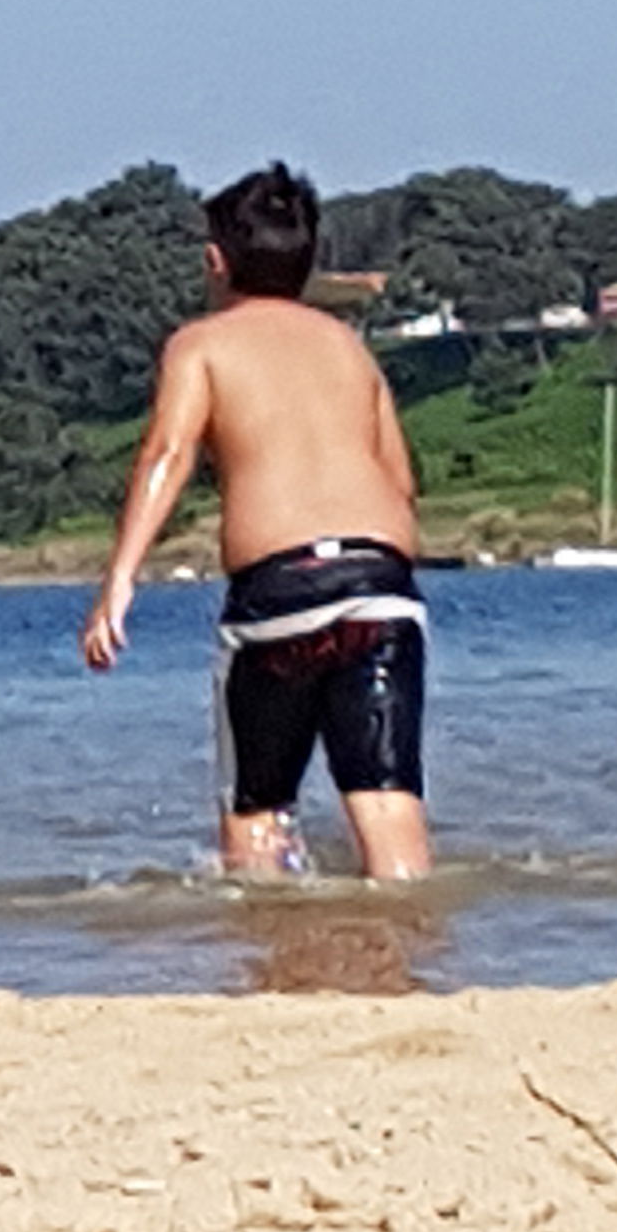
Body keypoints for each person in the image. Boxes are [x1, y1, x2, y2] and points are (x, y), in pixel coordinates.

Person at [80, 163, 434, 882]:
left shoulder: (201, 344)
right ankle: (414, 941)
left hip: (282, 596)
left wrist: (119, 582)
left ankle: (271, 943)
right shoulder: (349, 346)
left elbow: (167, 454)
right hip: (380, 586)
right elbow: (400, 481)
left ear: (215, 260)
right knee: (386, 795)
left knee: (257, 808)